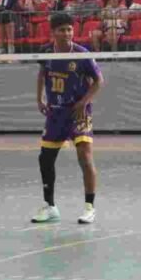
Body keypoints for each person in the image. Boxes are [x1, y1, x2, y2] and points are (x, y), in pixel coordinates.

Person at [31, 13, 104, 225]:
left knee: (85, 157)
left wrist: (84, 102)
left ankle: (89, 207)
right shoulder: (46, 52)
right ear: (53, 32)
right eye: (62, 30)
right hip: (55, 112)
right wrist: (39, 98)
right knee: (45, 158)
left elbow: (99, 81)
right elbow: (41, 74)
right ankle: (50, 206)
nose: (67, 33)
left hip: (78, 113)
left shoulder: (82, 54)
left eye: (70, 29)